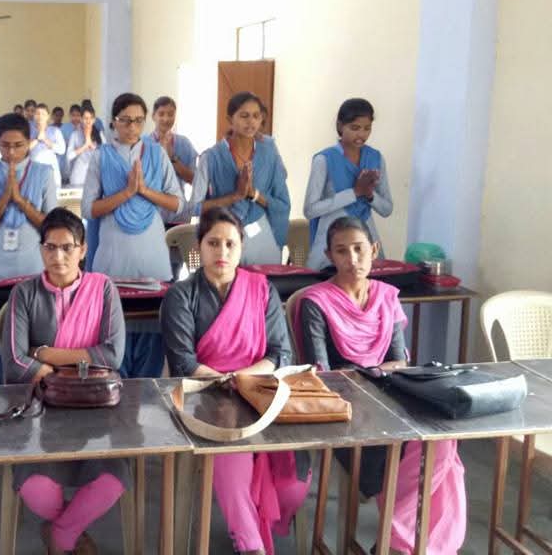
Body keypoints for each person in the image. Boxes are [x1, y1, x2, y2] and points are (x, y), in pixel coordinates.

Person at [298, 217, 466, 554]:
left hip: (391, 399)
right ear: (330, 256)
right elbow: (324, 374)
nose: (352, 259)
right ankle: (399, 543)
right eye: (342, 251)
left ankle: (395, 541)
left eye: (359, 249)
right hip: (346, 411)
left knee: (443, 439)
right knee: (429, 454)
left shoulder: (386, 297)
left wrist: (361, 371)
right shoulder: (316, 302)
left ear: (373, 250)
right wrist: (373, 372)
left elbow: (400, 362)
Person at [161, 207, 310, 554]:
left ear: (241, 247)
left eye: (230, 244)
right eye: (213, 243)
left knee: (293, 486)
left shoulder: (262, 289)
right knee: (231, 462)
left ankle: (266, 520)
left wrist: (244, 378)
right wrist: (225, 382)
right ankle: (250, 544)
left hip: (261, 391)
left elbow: (280, 353)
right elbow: (184, 362)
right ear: (199, 246)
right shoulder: (181, 295)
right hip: (207, 396)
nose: (222, 252)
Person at [1, 208, 127, 555]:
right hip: (40, 410)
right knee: (37, 489)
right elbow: (15, 362)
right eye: (50, 247)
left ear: (82, 250)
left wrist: (46, 354)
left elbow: (112, 356)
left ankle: (60, 534)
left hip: (97, 410)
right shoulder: (23, 294)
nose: (58, 256)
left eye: (67, 247)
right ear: (41, 249)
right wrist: (74, 373)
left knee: (110, 482)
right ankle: (71, 529)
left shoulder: (103, 289)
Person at [81, 92, 184, 378]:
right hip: (113, 257)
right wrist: (126, 193)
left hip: (152, 257)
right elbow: (89, 209)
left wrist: (144, 191)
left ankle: (146, 390)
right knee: (113, 333)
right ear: (113, 121)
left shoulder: (157, 154)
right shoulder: (101, 156)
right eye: (125, 120)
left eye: (138, 121)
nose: (132, 127)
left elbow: (177, 204)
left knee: (152, 333)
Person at [0, 114, 57, 383]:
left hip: (32, 266)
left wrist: (20, 201)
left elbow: (52, 227)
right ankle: (1, 387)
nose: (11, 152)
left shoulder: (44, 173)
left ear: (30, 142)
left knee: (35, 337)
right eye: (5, 145)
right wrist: (4, 200)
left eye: (18, 145)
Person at [191, 92, 290, 265]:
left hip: (261, 234)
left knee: (264, 280)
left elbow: (281, 202)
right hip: (222, 235)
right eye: (244, 116)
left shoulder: (269, 154)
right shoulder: (211, 157)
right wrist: (235, 196)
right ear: (230, 119)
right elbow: (194, 207)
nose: (251, 121)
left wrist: (254, 194)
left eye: (256, 116)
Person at [303, 98, 393, 271]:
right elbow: (310, 210)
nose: (361, 135)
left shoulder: (376, 158)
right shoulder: (324, 159)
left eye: (367, 128)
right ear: (340, 126)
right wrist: (354, 193)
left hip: (366, 237)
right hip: (331, 239)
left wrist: (370, 195)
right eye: (355, 128)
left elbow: (387, 209)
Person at [151, 96, 198, 225]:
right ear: (153, 116)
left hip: (179, 216)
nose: (166, 119)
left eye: (170, 114)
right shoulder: (143, 144)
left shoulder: (184, 144)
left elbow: (194, 180)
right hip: (151, 216)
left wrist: (172, 158)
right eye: (161, 114)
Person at [30, 102, 66, 188]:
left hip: (51, 171)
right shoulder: (29, 131)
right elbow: (24, 150)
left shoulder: (55, 131)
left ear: (48, 116)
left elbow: (62, 150)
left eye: (43, 114)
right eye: (37, 113)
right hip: (34, 172)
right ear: (34, 116)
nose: (40, 116)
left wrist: (45, 140)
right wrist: (37, 139)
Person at [66, 104, 103, 188]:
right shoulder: (75, 134)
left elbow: (104, 154)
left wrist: (92, 145)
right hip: (78, 176)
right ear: (81, 119)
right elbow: (69, 156)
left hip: (95, 176)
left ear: (94, 120)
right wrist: (85, 146)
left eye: (91, 118)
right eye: (85, 118)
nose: (88, 121)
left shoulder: (100, 135)